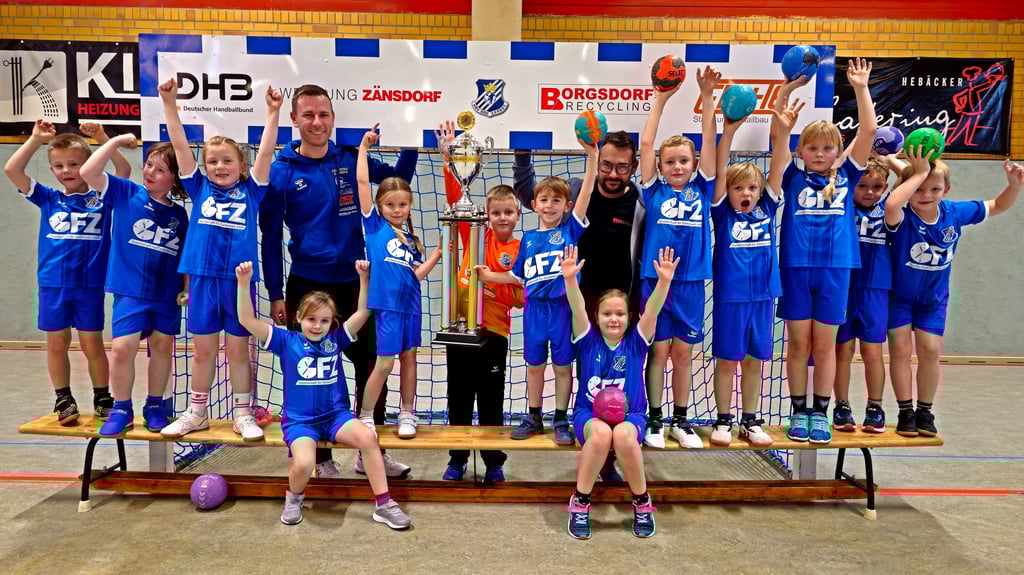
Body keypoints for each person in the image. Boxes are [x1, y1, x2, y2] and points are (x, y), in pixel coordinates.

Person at [260, 84, 418, 478]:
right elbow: (268, 237)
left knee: (371, 364)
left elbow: (398, 180)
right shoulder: (280, 172)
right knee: (313, 370)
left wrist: (415, 136)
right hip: (307, 285)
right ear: (294, 120)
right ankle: (321, 459)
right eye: (308, 115)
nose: (317, 122)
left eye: (324, 115)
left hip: (357, 281)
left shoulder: (350, 158)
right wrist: (276, 293)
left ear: (333, 118)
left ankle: (370, 452)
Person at [234, 260, 411, 529]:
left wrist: (364, 279)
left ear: (332, 322)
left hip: (335, 417)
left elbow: (363, 311)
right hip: (301, 421)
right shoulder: (286, 341)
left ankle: (384, 504)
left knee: (367, 438)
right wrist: (243, 284)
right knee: (304, 463)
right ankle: (294, 497)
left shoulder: (336, 339)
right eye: (311, 319)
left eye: (325, 320)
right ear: (299, 319)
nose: (317, 326)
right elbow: (246, 320)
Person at [157, 78, 281, 441]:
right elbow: (180, 145)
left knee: (239, 350)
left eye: (227, 161)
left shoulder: (252, 190)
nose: (219, 166)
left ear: (241, 166)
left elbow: (267, 154)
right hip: (202, 278)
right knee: (203, 351)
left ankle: (243, 412)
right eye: (212, 161)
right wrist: (169, 104)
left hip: (239, 282)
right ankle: (197, 411)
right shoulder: (198, 187)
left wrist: (272, 113)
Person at [513, 130, 642, 478]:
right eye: (606, 165)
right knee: (584, 375)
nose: (613, 173)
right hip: (577, 297)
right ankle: (570, 433)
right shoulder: (567, 201)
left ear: (633, 167)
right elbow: (533, 193)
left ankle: (610, 458)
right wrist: (522, 155)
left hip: (618, 300)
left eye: (622, 167)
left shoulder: (638, 200)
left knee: (614, 377)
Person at [767, 58, 877, 444]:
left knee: (825, 345)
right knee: (798, 344)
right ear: (802, 149)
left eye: (827, 148)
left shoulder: (848, 175)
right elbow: (778, 143)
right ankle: (799, 409)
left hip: (836, 269)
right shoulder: (793, 176)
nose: (819, 153)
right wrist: (784, 96)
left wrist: (860, 88)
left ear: (838, 150)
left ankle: (820, 411)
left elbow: (869, 130)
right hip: (796, 268)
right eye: (811, 147)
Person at [885, 150, 1023, 437]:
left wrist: (1013, 186)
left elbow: (998, 205)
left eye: (935, 189)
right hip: (899, 297)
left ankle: (924, 411)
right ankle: (905, 411)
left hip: (932, 300)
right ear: (908, 188)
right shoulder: (902, 215)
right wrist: (917, 171)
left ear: (945, 190)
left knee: (931, 351)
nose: (926, 195)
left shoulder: (954, 213)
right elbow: (892, 204)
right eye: (920, 188)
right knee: (899, 350)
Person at [4, 121, 130, 424]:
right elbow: (12, 170)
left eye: (74, 164)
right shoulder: (49, 198)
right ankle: (63, 398)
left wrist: (102, 138)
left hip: (89, 285)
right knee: (56, 342)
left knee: (92, 344)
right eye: (58, 166)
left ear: (88, 164)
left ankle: (103, 397)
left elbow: (123, 171)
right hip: (52, 285)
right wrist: (35, 139)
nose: (66, 170)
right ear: (51, 170)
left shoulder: (102, 197)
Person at [477, 139, 599, 446]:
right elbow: (515, 275)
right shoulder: (528, 239)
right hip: (534, 311)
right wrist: (487, 274)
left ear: (567, 206)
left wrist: (593, 156)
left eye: (557, 201)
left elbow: (585, 191)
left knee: (562, 367)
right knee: (534, 366)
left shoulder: (571, 230)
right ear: (534, 204)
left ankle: (560, 417)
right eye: (544, 200)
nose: (549, 205)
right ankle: (533, 415)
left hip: (562, 309)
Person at [563, 244, 677, 539]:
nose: (613, 319)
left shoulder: (637, 343)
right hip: (588, 414)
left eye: (620, 314)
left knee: (624, 436)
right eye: (606, 314)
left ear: (629, 318)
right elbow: (577, 306)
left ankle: (641, 501)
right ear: (597, 316)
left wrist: (664, 281)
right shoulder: (587, 340)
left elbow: (651, 310)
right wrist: (570, 280)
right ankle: (581, 502)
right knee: (601, 435)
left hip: (632, 414)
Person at [79, 135, 189, 436]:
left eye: (160, 169)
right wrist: (112, 141)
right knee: (123, 348)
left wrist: (186, 286)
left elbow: (184, 254)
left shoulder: (179, 214)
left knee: (163, 347)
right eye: (149, 165)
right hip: (130, 291)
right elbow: (88, 172)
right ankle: (122, 407)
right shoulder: (126, 192)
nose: (150, 172)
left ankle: (154, 405)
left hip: (165, 294)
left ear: (174, 179)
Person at [637, 65, 720, 449]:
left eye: (683, 161)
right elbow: (647, 145)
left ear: (694, 163)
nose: (676, 167)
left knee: (684, 354)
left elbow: (708, 142)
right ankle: (654, 418)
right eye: (670, 162)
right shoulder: (653, 191)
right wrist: (661, 98)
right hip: (655, 281)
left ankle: (681, 420)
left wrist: (705, 100)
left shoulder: (703, 188)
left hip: (689, 281)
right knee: (658, 350)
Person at [436, 121, 522, 484]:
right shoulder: (475, 234)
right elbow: (459, 200)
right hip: (460, 327)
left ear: (518, 216)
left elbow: (520, 295)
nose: (502, 218)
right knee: (458, 396)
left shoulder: (520, 249)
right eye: (496, 212)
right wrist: (447, 159)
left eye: (509, 212)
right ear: (487, 215)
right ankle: (457, 457)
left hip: (494, 334)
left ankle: (492, 461)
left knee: (490, 399)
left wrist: (493, 282)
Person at [356, 124, 442, 440]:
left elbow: (414, 275)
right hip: (387, 307)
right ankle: (365, 415)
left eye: (402, 205)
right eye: (391, 205)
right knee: (383, 363)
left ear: (409, 207)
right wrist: (364, 148)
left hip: (411, 306)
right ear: (380, 206)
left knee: (409, 359)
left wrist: (434, 256)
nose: (397, 210)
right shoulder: (374, 226)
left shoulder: (411, 240)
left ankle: (408, 413)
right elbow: (363, 181)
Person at [706, 112, 778, 448]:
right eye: (739, 188)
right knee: (727, 361)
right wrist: (729, 132)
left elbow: (779, 164)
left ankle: (750, 419)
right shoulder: (722, 213)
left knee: (754, 362)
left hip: (763, 296)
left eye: (752, 187)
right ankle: (723, 418)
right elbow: (720, 170)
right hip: (730, 297)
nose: (745, 193)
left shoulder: (768, 209)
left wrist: (784, 131)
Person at [832, 155, 898, 433]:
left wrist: (889, 158)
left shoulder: (890, 208)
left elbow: (910, 178)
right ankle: (841, 405)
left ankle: (875, 406)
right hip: (844, 287)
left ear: (885, 188)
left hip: (875, 289)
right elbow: (839, 167)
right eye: (863, 185)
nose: (870, 192)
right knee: (842, 351)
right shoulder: (844, 203)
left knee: (872, 352)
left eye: (877, 186)